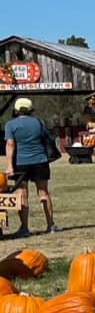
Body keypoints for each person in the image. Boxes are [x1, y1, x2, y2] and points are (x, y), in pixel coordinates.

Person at [4, 98, 60, 235]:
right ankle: (50, 225)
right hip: (40, 160)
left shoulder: (10, 125)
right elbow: (46, 138)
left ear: (16, 110)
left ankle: (24, 228)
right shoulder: (39, 123)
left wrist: (9, 166)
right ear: (30, 110)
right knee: (43, 193)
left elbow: (10, 144)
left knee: (22, 194)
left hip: (20, 163)